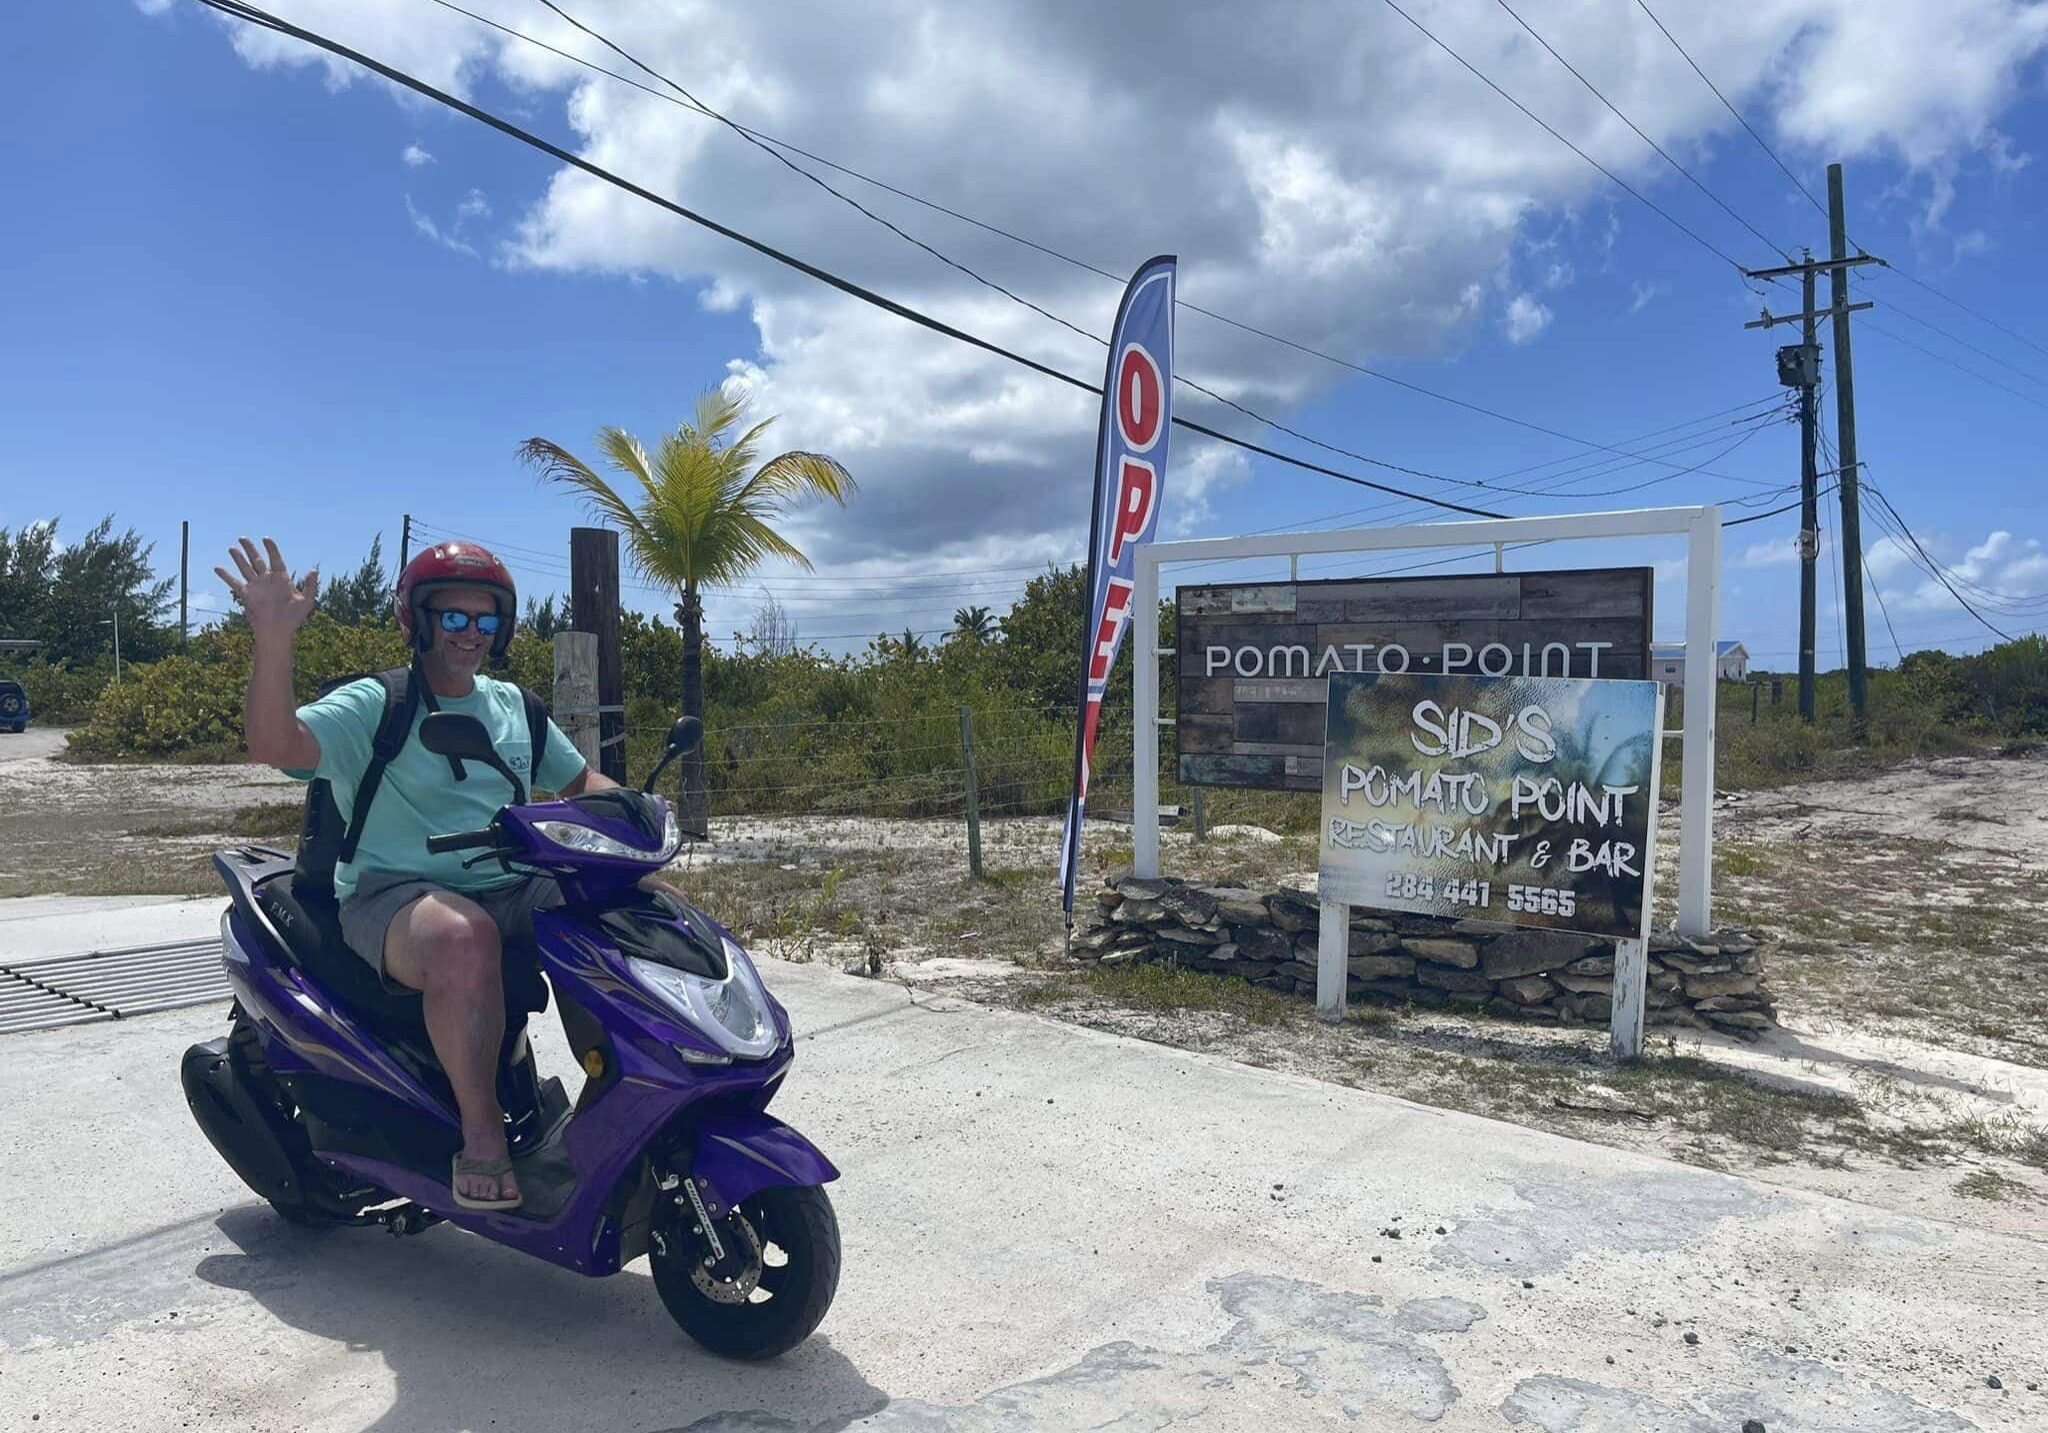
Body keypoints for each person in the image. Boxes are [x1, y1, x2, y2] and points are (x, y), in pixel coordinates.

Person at [219, 536, 618, 1210]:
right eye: (453, 618)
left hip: (507, 881)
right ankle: (482, 1133)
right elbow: (275, 743)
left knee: (618, 902)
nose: (469, 634)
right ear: (419, 621)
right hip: (392, 893)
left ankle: (613, 1098)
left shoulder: (515, 709)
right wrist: (273, 635)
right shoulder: (378, 704)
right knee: (465, 937)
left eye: (485, 620)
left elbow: (582, 781)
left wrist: (636, 821)